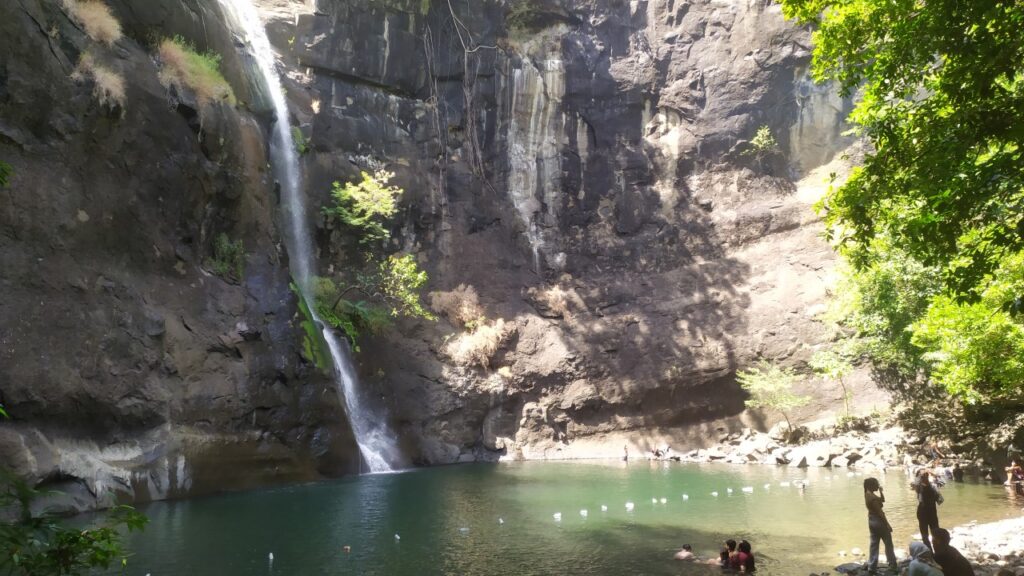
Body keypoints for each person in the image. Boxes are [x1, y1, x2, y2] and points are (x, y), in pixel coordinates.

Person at [864, 477, 898, 574]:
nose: (878, 485)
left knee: (874, 544)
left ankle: (872, 566)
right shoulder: (873, 498)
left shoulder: (867, 494)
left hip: (871, 521)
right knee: (888, 544)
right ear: (871, 485)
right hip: (879, 521)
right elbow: (880, 512)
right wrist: (888, 524)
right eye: (876, 484)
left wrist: (881, 491)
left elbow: (882, 500)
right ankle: (892, 565)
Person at [913, 468, 943, 549]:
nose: (925, 476)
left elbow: (943, 482)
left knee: (935, 532)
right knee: (925, 534)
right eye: (922, 475)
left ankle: (938, 550)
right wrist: (921, 475)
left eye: (926, 474)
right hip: (924, 511)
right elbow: (915, 484)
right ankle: (930, 551)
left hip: (930, 510)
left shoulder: (933, 485)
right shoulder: (918, 486)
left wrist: (933, 474)